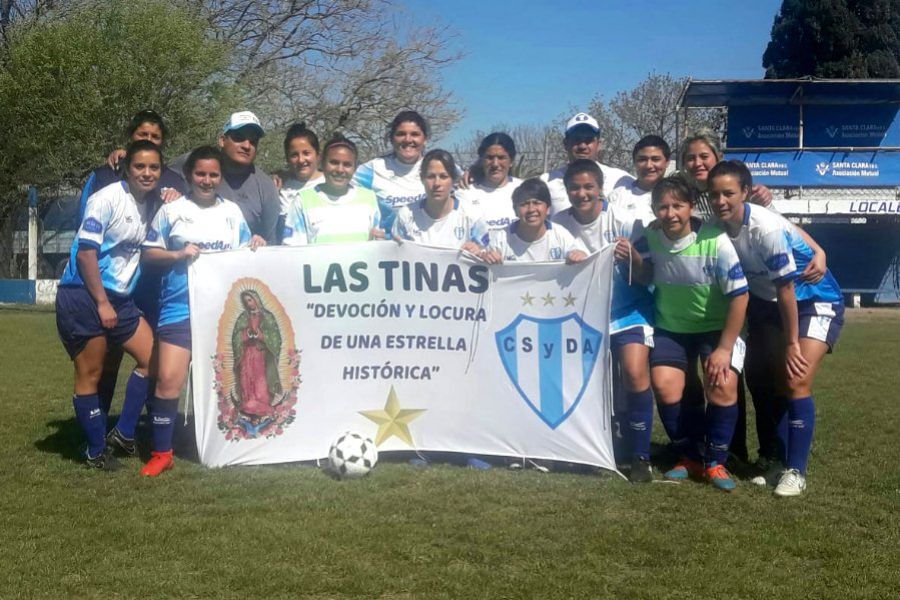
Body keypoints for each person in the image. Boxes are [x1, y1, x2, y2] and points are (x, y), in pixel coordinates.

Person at [708, 160, 844, 497]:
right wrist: (817, 248)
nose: (721, 200)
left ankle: (796, 471)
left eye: (729, 193)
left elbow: (786, 290)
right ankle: (778, 461)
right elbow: (794, 229)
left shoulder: (763, 228)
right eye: (715, 195)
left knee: (795, 377)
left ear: (744, 193)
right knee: (766, 379)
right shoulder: (719, 226)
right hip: (772, 305)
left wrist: (792, 343)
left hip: (813, 300)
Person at [139, 146, 264, 476]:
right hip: (179, 308)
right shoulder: (171, 211)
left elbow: (244, 256)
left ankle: (233, 441)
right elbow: (149, 254)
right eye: (200, 174)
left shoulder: (233, 213)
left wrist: (256, 246)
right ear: (189, 176)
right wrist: (178, 255)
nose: (207, 181)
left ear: (220, 177)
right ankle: (162, 451)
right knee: (168, 379)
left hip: (222, 313)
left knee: (230, 382)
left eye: (213, 175)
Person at [621, 175, 749, 492]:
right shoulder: (650, 237)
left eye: (678, 205)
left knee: (721, 385)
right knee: (665, 387)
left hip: (715, 329)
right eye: (662, 207)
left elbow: (740, 296)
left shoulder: (715, 239)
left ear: (691, 207)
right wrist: (634, 258)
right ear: (654, 210)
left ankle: (715, 461)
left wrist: (724, 348)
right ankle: (688, 455)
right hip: (670, 328)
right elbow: (642, 274)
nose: (670, 213)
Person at [55, 140, 161, 470]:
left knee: (153, 357)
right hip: (84, 293)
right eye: (140, 167)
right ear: (126, 167)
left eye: (153, 167)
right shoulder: (107, 198)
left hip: (120, 297)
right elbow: (86, 254)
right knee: (91, 372)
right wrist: (101, 303)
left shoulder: (153, 202)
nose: (147, 173)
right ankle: (95, 449)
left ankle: (123, 433)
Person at [552, 159, 655, 482]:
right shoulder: (556, 224)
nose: (581, 194)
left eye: (588, 187)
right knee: (580, 384)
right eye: (575, 188)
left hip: (627, 311)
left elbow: (648, 275)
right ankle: (586, 448)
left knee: (635, 373)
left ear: (601, 189)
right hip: (579, 317)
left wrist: (634, 257)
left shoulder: (627, 222)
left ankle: (640, 456)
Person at [85, 110, 187, 415]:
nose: (149, 140)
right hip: (111, 284)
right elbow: (87, 230)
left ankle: (148, 426)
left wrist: (177, 197)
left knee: (155, 356)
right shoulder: (105, 174)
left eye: (155, 137)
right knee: (107, 358)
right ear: (131, 137)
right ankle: (99, 421)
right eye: (143, 135)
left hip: (152, 284)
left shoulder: (173, 180)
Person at [282, 134, 383, 245]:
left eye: (347, 164)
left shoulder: (369, 198)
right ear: (322, 163)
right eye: (334, 162)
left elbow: (376, 246)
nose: (340, 170)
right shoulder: (302, 201)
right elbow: (292, 250)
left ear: (355, 168)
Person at [392, 149, 489, 252]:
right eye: (431, 176)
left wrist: (478, 251)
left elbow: (488, 256)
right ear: (422, 178)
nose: (437, 183)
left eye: (443, 177)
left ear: (453, 179)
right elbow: (394, 257)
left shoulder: (472, 216)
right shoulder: (406, 215)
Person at [541, 112, 635, 215]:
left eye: (588, 140)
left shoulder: (621, 179)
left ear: (599, 144)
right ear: (565, 144)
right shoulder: (546, 182)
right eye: (576, 139)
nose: (582, 146)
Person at [354, 110, 430, 233]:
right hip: (387, 248)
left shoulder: (438, 166)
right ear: (391, 138)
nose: (407, 139)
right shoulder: (371, 169)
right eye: (401, 134)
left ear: (425, 139)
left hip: (427, 247)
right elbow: (339, 190)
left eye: (415, 134)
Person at [481, 178, 587, 265]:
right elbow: (483, 262)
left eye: (537, 203)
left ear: (548, 208)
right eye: (524, 204)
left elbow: (579, 256)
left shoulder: (561, 235)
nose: (531, 209)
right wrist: (486, 257)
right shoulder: (500, 238)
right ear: (515, 210)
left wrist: (578, 256)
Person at [216, 111, 281, 244]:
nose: (247, 146)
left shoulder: (266, 186)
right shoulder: (198, 169)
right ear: (222, 141)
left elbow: (271, 241)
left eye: (253, 142)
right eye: (239, 138)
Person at [456, 132, 522, 231]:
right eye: (490, 158)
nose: (495, 164)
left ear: (511, 161)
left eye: (501, 158)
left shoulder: (524, 189)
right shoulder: (465, 193)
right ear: (481, 160)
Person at [276, 123, 324, 241]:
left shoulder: (331, 185)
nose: (301, 160)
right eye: (294, 155)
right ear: (287, 158)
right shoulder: (279, 186)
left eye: (306, 153)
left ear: (318, 155)